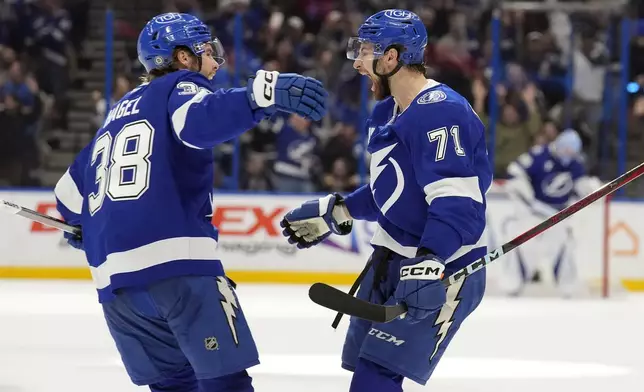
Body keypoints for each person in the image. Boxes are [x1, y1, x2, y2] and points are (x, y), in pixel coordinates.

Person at [53, 12, 326, 392]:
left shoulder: (115, 115)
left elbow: (67, 194)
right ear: (182, 57)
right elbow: (198, 123)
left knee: (173, 387)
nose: (214, 61)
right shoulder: (181, 87)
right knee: (225, 384)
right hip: (178, 272)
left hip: (116, 288)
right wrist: (258, 96)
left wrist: (79, 225)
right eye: (206, 51)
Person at [280, 9, 492, 392]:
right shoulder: (386, 112)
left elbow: (458, 202)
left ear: (391, 58)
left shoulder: (440, 111)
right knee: (367, 373)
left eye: (364, 52)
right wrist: (341, 210)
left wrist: (431, 260)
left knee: (374, 378)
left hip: (441, 266)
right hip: (393, 260)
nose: (358, 63)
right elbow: (392, 192)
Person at [501, 129, 601, 297]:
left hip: (559, 216)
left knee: (564, 247)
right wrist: (522, 191)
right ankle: (513, 285)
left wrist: (590, 189)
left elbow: (580, 184)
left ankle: (567, 287)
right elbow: (514, 171)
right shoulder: (539, 155)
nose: (568, 154)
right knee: (522, 246)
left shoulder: (575, 164)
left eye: (572, 151)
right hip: (534, 213)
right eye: (566, 149)